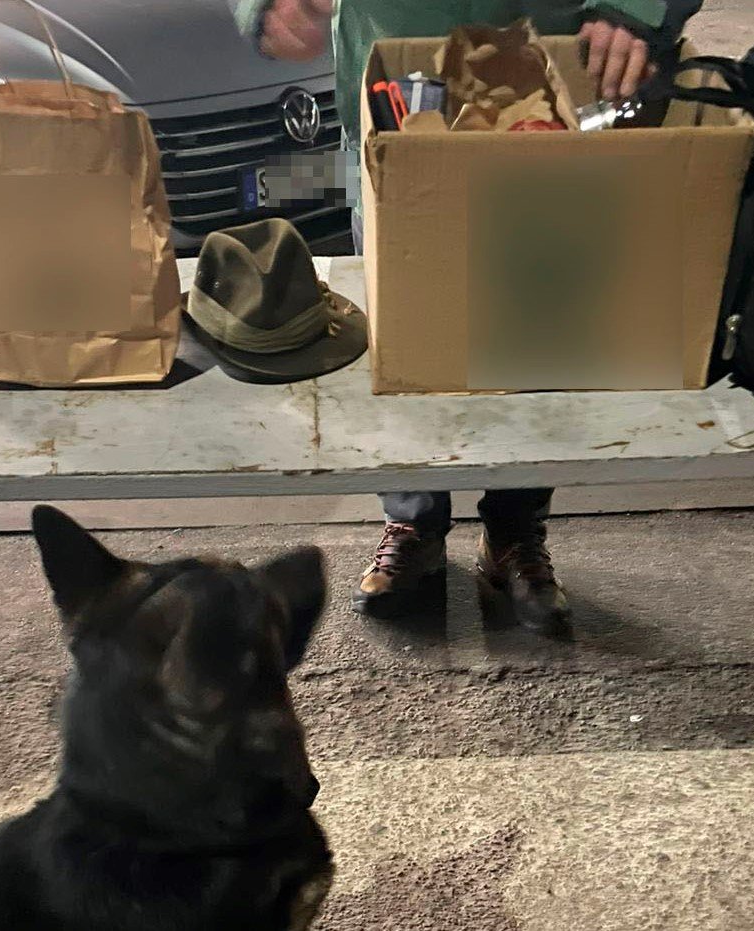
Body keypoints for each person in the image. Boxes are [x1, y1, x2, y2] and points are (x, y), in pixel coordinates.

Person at [234, 0, 703, 634]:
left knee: (538, 333)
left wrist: (634, 8)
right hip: (397, 80)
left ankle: (514, 530)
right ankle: (413, 520)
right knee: (407, 338)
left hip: (543, 80)